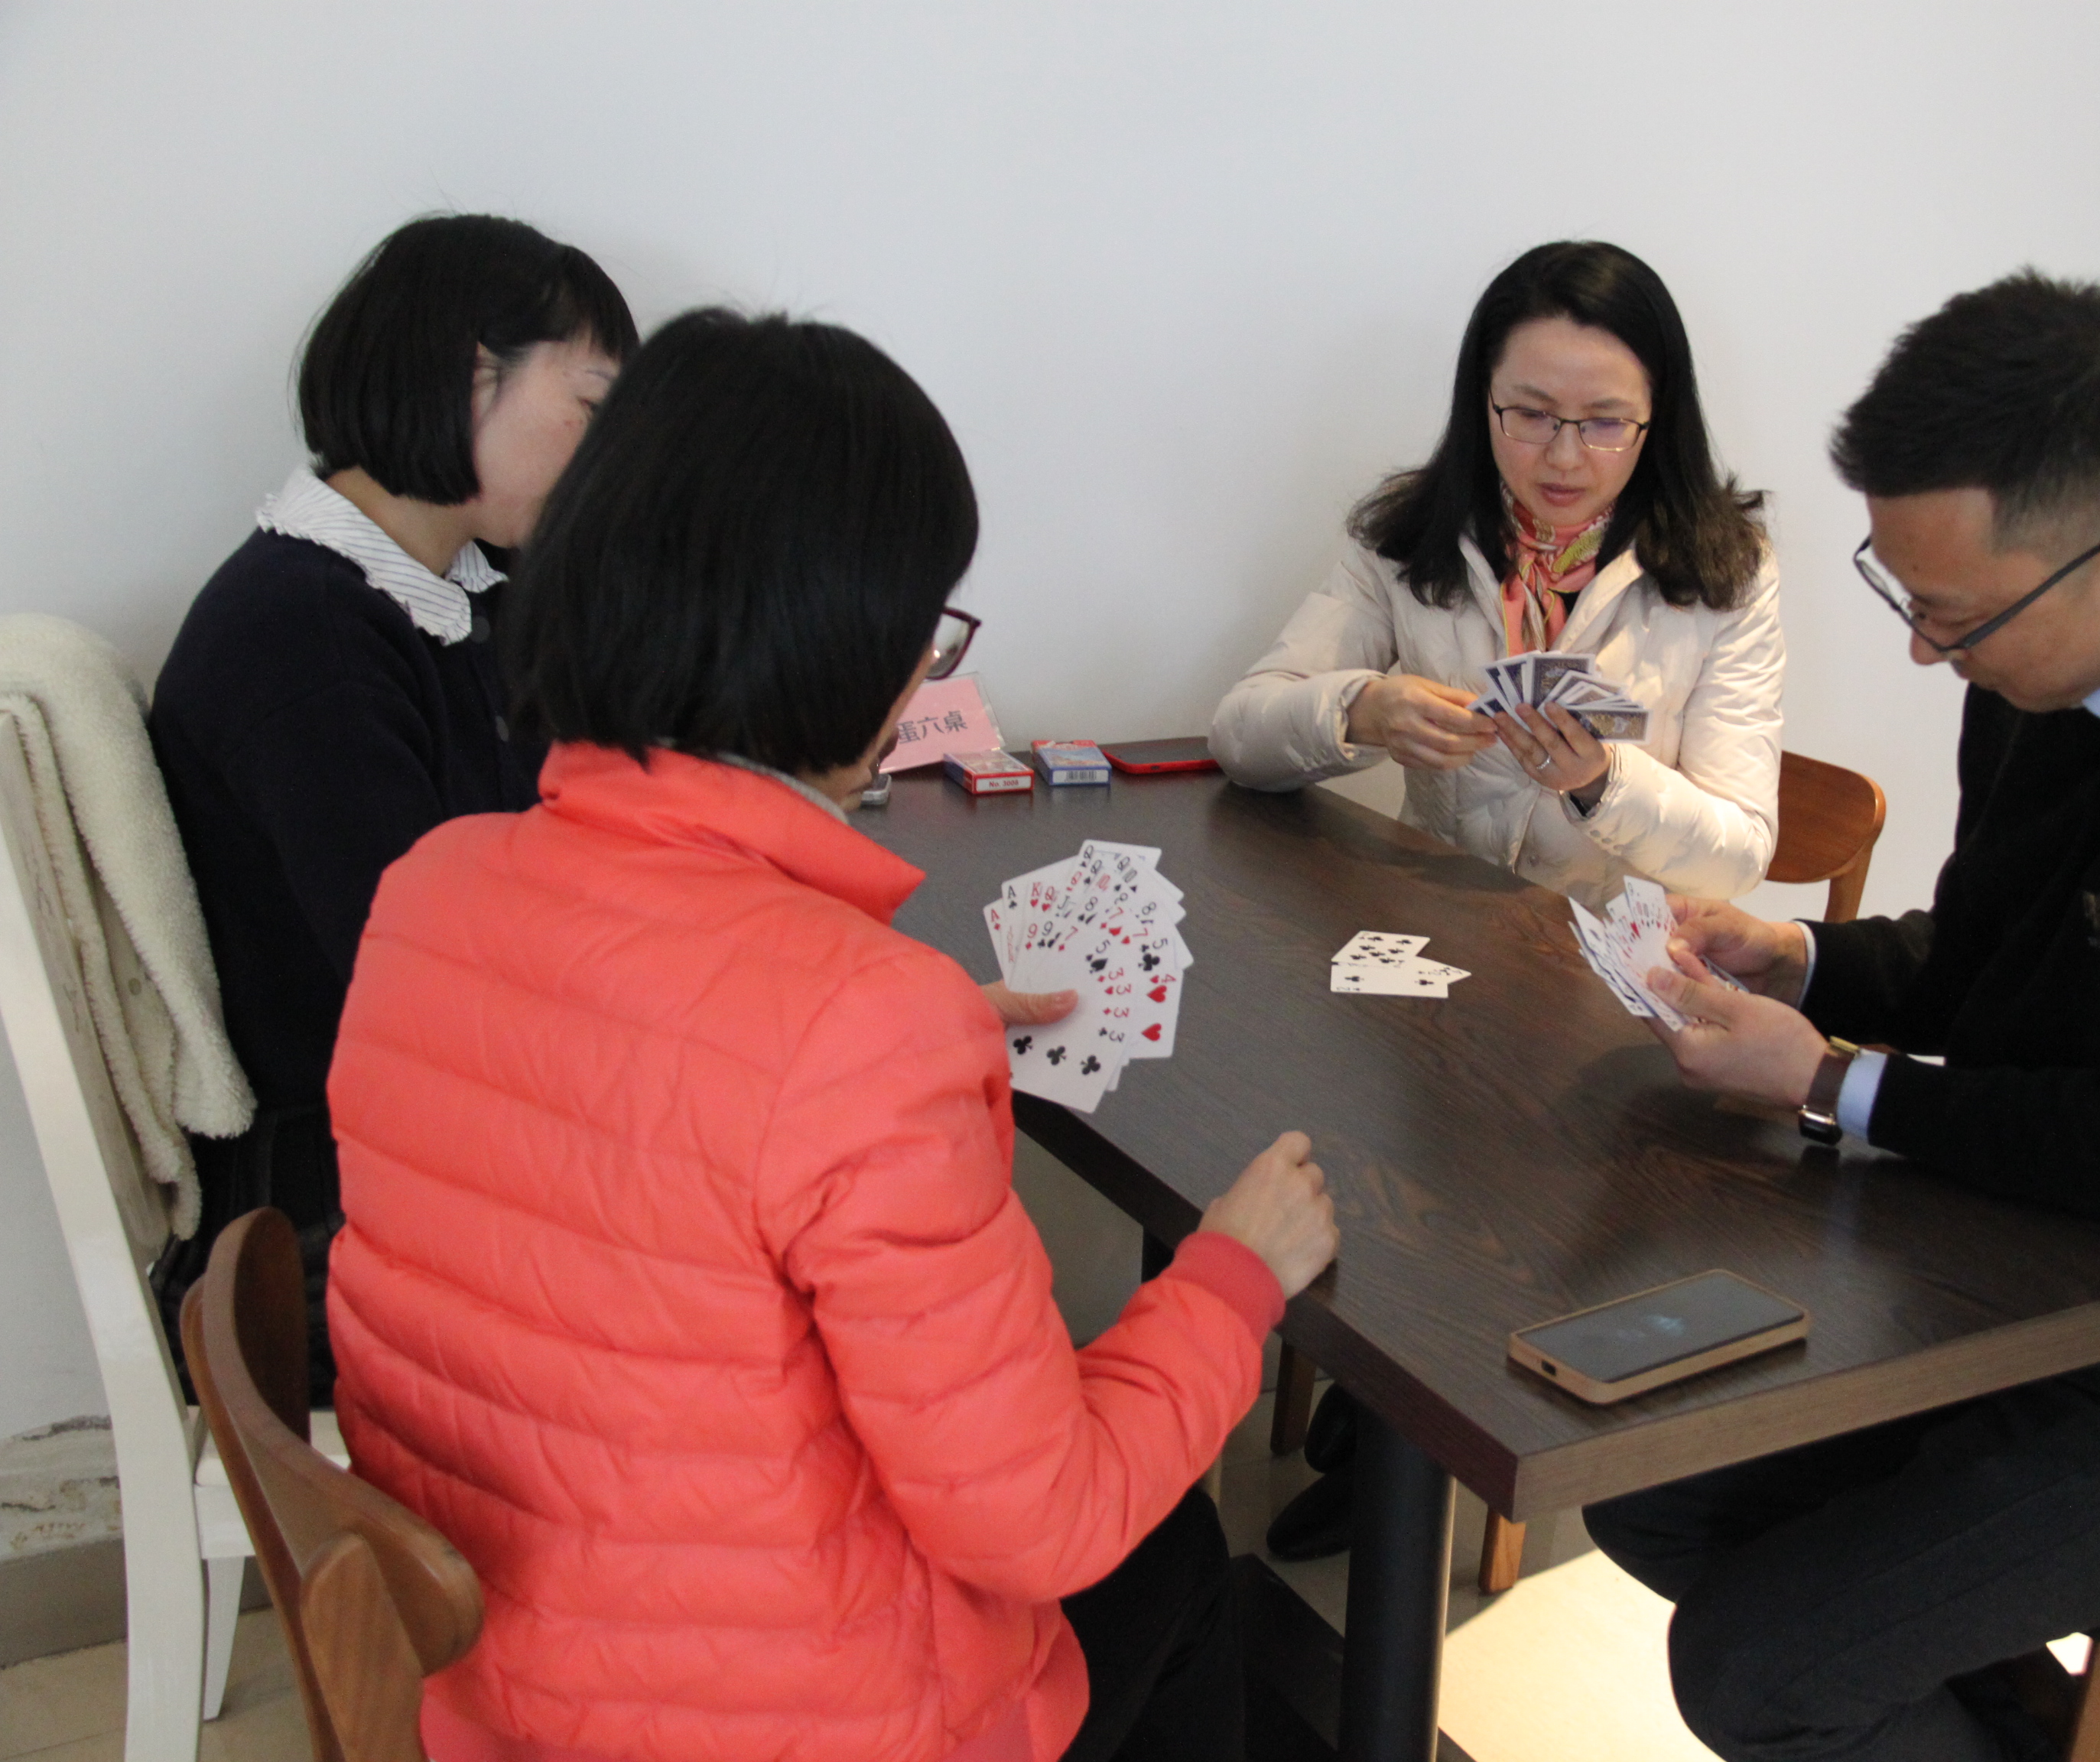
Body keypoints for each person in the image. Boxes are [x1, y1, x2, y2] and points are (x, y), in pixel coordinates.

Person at [324, 307, 1338, 1762]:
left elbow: (635, 1118)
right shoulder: (858, 1023)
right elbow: (1040, 1519)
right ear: (847, 642)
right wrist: (1234, 1274)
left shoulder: (430, 887)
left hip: (505, 1688)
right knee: (1165, 1546)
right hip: (791, 1720)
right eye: (927, 628)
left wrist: (878, 1054)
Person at [1583, 275, 2100, 1762]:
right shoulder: (2037, 665)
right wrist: (1799, 959)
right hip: (2029, 1301)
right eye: (1906, 593)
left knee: (1753, 1670)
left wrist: (1834, 1084)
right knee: (1647, 1485)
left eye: (1954, 613)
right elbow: (1989, 959)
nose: (1927, 652)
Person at [148, 213, 638, 1402]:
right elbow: (433, 987)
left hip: (432, 1155)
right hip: (329, 1231)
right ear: (471, 376)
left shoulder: (458, 597)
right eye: (590, 407)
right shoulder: (304, 632)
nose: (606, 456)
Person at [1211, 239, 1786, 912]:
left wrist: (1604, 782)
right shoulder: (1412, 536)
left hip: (1609, 957)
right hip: (1437, 932)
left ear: (1657, 419)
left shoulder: (1728, 570)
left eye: (1606, 421)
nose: (1564, 457)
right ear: (1482, 399)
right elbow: (1239, 735)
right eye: (1532, 415)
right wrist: (1364, 712)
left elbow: (1740, 858)